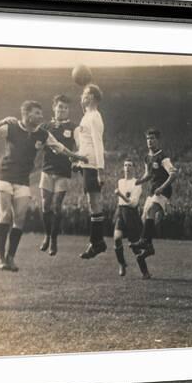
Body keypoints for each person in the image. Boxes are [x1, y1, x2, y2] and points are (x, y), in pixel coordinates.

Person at [0, 100, 87, 271]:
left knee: (20, 219)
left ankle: (10, 257)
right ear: (27, 114)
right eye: (37, 113)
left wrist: (78, 157)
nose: (41, 116)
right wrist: (2, 121)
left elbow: (60, 148)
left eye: (41, 113)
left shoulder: (42, 134)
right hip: (5, 176)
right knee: (6, 214)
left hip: (23, 180)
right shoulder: (12, 127)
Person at [130, 128, 178, 264]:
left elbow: (173, 174)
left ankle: (144, 241)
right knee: (144, 217)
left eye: (152, 139)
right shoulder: (147, 157)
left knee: (151, 211)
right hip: (153, 190)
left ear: (157, 140)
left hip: (163, 190)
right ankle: (149, 247)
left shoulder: (163, 156)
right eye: (147, 139)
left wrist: (162, 187)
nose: (149, 141)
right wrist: (139, 181)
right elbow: (148, 174)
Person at [38, 95, 78, 256]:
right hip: (47, 170)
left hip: (63, 172)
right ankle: (47, 235)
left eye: (65, 108)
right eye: (60, 106)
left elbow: (79, 147)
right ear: (54, 107)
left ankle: (54, 240)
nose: (62, 110)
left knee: (56, 206)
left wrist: (76, 161)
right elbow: (38, 144)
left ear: (68, 110)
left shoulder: (73, 128)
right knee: (45, 205)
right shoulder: (45, 126)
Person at [74, 84, 108, 259]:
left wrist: (100, 170)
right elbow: (85, 143)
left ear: (93, 97)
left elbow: (97, 143)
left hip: (93, 165)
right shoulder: (86, 116)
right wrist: (78, 161)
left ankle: (97, 242)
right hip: (85, 164)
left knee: (94, 202)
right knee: (91, 202)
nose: (82, 96)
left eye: (85, 94)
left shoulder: (94, 117)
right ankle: (97, 242)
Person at [113, 159, 151, 278]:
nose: (127, 167)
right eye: (125, 165)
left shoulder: (137, 183)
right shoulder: (120, 181)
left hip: (131, 214)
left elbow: (133, 203)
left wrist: (120, 195)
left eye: (130, 165)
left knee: (134, 245)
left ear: (133, 168)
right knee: (116, 238)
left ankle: (145, 272)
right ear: (123, 167)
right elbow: (121, 202)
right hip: (121, 212)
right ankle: (122, 264)